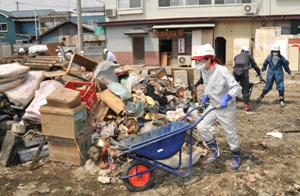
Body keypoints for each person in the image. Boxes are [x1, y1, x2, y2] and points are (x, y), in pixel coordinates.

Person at [192, 44, 242, 170]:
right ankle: (215, 150)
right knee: (201, 126)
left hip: (226, 107)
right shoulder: (204, 70)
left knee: (230, 133)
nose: (198, 63)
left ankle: (236, 155)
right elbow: (209, 86)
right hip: (214, 105)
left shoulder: (222, 70)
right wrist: (206, 97)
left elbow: (236, 87)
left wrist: (227, 98)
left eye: (200, 60)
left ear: (209, 59)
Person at [233, 46, 263, 111]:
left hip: (235, 72)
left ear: (242, 50)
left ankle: (232, 102)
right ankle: (246, 105)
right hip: (244, 72)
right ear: (248, 51)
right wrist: (260, 75)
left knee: (234, 86)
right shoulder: (249, 56)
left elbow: (236, 64)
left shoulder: (236, 56)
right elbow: (255, 66)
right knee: (245, 86)